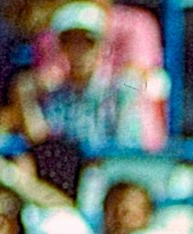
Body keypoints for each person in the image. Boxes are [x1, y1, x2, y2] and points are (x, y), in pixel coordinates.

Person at [9, 2, 149, 154]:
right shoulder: (57, 96)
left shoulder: (119, 92)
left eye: (88, 41)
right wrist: (25, 98)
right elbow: (42, 142)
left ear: (102, 46)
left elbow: (124, 149)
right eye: (68, 41)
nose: (78, 50)